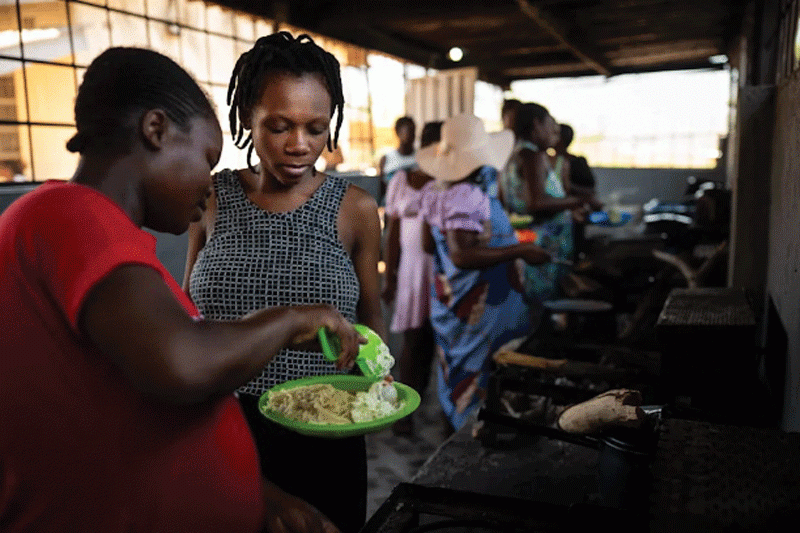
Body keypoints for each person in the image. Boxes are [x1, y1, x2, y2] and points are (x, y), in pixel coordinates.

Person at [0, 46, 362, 533]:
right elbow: (183, 364)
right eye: (206, 158)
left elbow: (129, 405)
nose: (206, 181)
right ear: (156, 131)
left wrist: (259, 494)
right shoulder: (70, 215)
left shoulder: (97, 231)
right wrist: (293, 318)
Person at [183, 32, 384, 533]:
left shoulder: (354, 208)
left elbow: (372, 318)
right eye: (278, 126)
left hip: (325, 428)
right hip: (219, 426)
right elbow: (189, 306)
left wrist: (379, 384)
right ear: (247, 118)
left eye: (316, 128)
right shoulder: (209, 196)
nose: (300, 145)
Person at [416, 113, 552, 433]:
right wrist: (520, 250)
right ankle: (466, 435)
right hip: (478, 305)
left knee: (458, 367)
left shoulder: (437, 190)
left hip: (451, 297)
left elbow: (427, 245)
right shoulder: (466, 195)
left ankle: (453, 422)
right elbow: (461, 255)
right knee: (479, 370)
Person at [381, 121, 441, 435]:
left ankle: (428, 402)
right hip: (412, 272)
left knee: (435, 341)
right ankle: (405, 410)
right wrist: (390, 276)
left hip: (442, 271)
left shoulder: (450, 184)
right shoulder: (402, 179)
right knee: (413, 341)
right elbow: (393, 234)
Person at [500, 103, 589, 306]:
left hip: (525, 239)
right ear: (536, 124)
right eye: (549, 124)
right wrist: (578, 201)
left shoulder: (513, 154)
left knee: (529, 301)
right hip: (543, 246)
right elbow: (536, 202)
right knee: (545, 304)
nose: (552, 131)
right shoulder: (533, 156)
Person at [551, 123, 602, 258]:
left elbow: (590, 190)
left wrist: (567, 187)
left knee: (572, 250)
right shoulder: (547, 161)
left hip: (574, 215)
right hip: (558, 216)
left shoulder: (576, 162)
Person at [378, 115, 417, 204]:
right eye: (408, 131)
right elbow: (381, 190)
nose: (412, 135)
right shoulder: (386, 159)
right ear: (397, 132)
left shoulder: (420, 158)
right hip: (391, 207)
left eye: (413, 131)